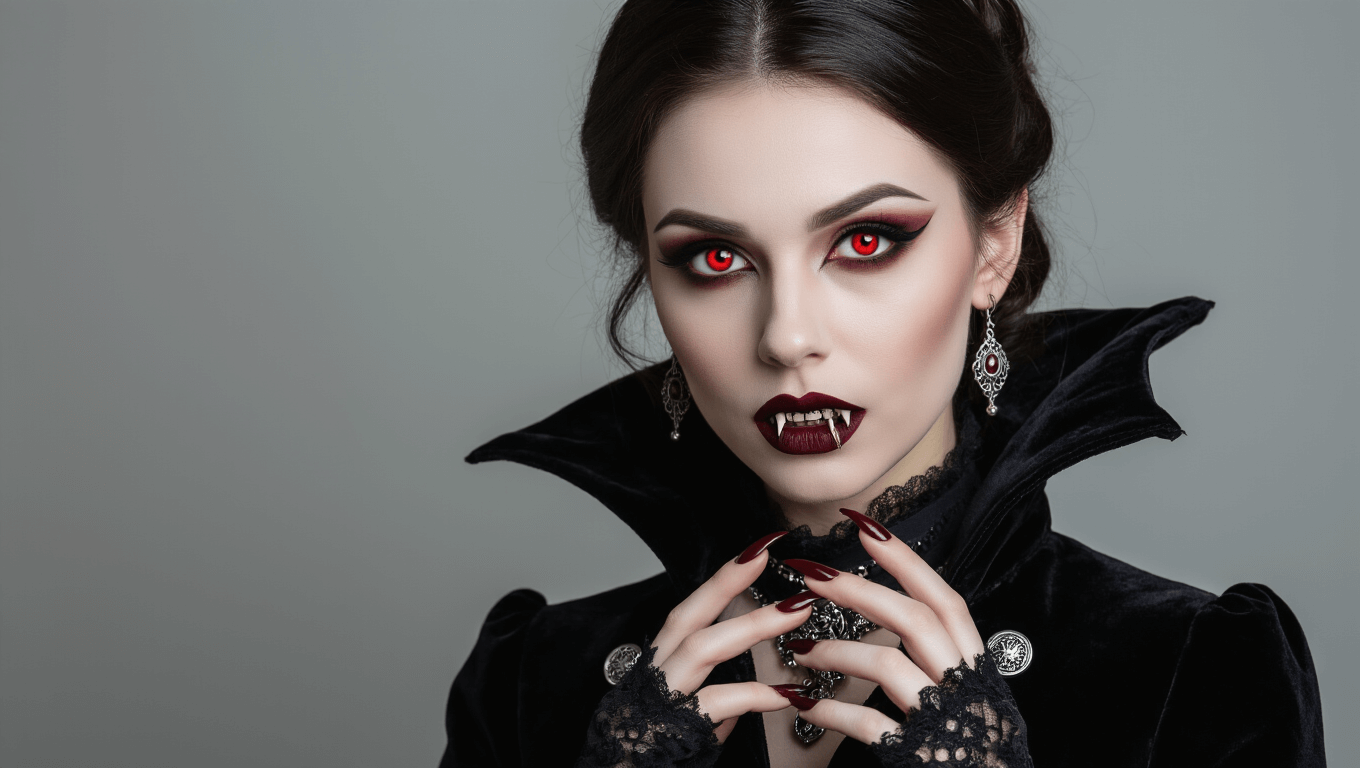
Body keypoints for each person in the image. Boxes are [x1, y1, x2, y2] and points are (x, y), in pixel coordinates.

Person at [439, 1, 1325, 766]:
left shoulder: (1190, 671)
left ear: (994, 243)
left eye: (864, 242)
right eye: (715, 257)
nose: (787, 336)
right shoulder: (533, 683)